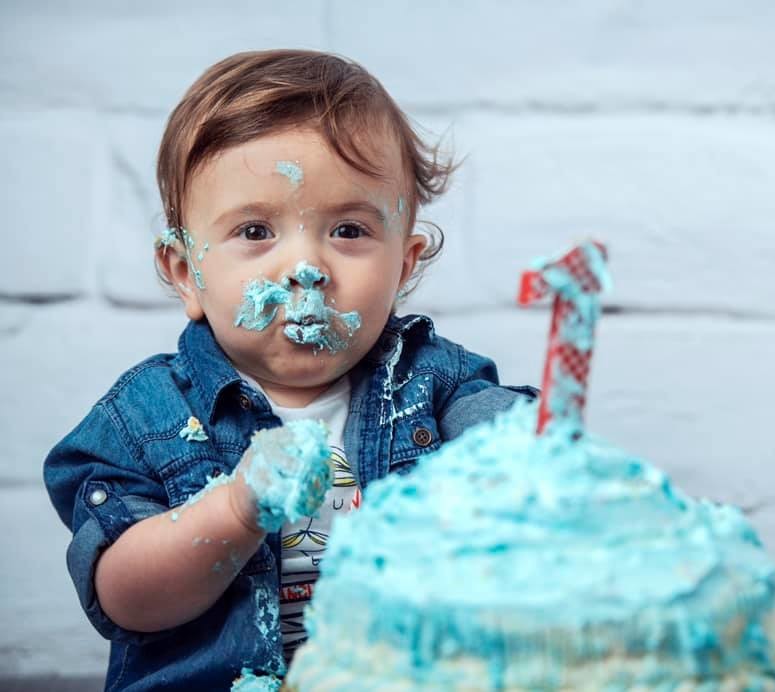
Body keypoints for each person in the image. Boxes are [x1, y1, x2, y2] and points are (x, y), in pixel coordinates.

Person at [43, 49, 537, 691]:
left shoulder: (435, 385)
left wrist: (524, 470)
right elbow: (125, 601)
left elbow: (524, 456)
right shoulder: (146, 418)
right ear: (186, 272)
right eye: (254, 230)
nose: (305, 267)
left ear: (405, 265)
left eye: (351, 231)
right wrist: (234, 513)